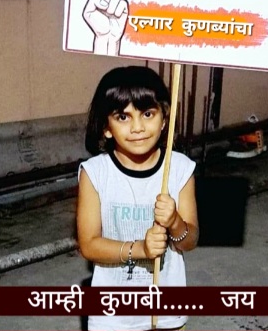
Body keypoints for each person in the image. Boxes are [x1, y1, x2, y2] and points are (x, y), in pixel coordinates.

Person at [77, 65, 199, 331]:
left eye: (147, 114)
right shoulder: (95, 173)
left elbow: (189, 242)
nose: (137, 127)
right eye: (123, 117)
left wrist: (175, 222)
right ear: (106, 127)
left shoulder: (179, 169)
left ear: (164, 119)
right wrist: (140, 250)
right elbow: (89, 245)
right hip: (112, 316)